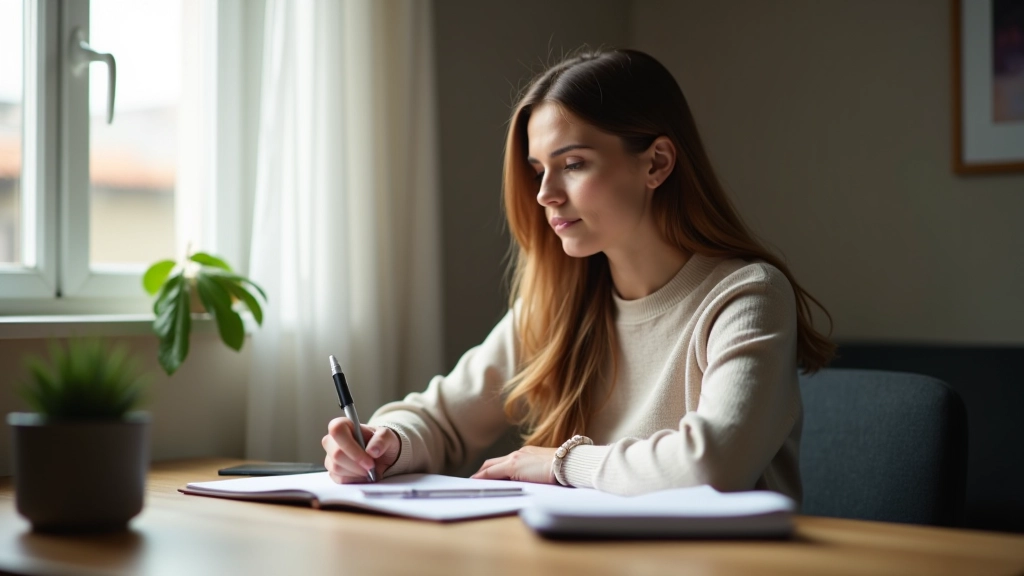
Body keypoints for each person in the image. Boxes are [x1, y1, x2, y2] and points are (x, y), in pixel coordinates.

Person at [322, 48, 834, 501]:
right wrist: (388, 443)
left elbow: (712, 464)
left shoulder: (746, 296)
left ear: (656, 163)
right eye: (538, 168)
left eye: (572, 164)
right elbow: (440, 418)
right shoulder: (559, 303)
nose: (545, 193)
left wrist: (560, 464)